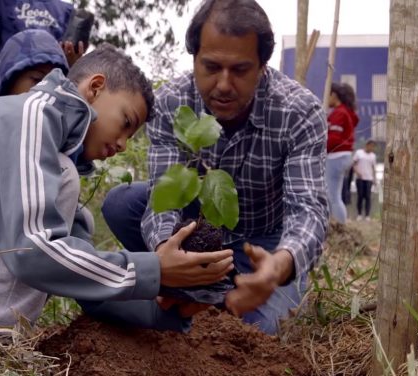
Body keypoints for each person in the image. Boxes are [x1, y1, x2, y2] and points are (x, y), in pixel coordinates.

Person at [0, 44, 234, 331]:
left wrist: (165, 302)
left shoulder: (45, 165)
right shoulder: (31, 113)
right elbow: (34, 252)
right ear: (95, 88)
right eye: (125, 122)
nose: (122, 144)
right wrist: (152, 268)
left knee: (62, 223)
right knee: (59, 187)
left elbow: (78, 279)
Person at [97, 0, 328, 335]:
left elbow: (308, 209)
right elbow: (164, 197)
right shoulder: (172, 103)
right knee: (122, 203)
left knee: (264, 332)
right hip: (194, 231)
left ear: (263, 66)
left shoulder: (298, 111)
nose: (223, 84)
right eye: (211, 67)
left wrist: (278, 265)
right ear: (194, 59)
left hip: (261, 242)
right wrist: (165, 253)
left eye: (239, 70)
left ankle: (217, 297)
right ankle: (189, 288)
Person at [0, 0, 85, 66]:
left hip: (47, 86)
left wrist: (72, 63)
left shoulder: (67, 11)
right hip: (5, 82)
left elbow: (69, 58)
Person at [326, 82, 359, 224]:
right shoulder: (346, 112)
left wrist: (319, 145)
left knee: (332, 196)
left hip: (336, 156)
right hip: (343, 156)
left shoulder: (339, 113)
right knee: (335, 195)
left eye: (328, 94)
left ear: (334, 95)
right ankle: (339, 223)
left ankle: (339, 225)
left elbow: (333, 138)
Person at [353, 140, 377, 221]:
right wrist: (357, 172)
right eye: (371, 146)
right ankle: (359, 214)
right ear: (367, 145)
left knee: (368, 197)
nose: (372, 148)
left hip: (369, 179)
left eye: (373, 147)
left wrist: (375, 179)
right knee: (360, 196)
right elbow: (354, 164)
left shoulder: (373, 156)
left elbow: (374, 168)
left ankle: (367, 215)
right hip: (360, 178)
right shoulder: (359, 153)